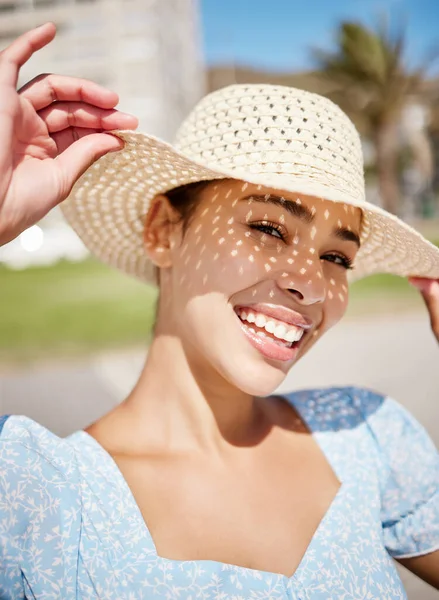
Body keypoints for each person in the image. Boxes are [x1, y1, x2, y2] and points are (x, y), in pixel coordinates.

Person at [0, 23, 438, 600]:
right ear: (162, 230)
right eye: (267, 227)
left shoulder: (366, 432)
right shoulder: (34, 494)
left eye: (336, 255)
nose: (310, 283)